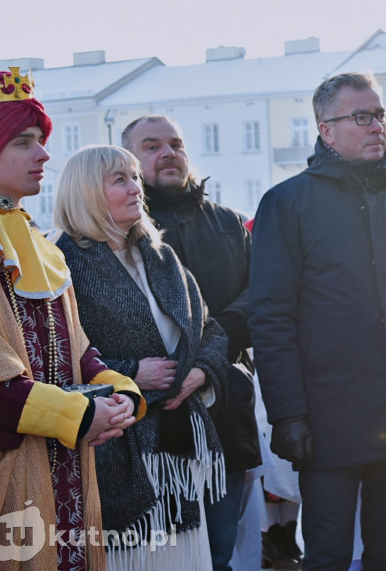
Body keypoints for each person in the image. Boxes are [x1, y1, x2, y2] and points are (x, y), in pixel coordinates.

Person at [249, 72, 386, 571]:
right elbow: (271, 318)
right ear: (326, 130)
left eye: (380, 115)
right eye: (361, 117)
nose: (376, 126)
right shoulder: (287, 204)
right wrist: (287, 414)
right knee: (327, 555)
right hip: (328, 417)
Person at [0, 69, 144, 570]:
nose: (44, 155)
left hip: (69, 461)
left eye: (41, 141)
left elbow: (76, 350)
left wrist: (118, 391)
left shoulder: (38, 243)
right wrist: (81, 415)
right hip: (1, 469)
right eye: (24, 142)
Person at [54, 145, 227, 569]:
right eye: (121, 179)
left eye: (135, 176)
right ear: (87, 192)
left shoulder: (159, 254)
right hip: (119, 448)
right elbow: (59, 359)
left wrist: (200, 373)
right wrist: (132, 374)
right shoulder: (64, 262)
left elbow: (211, 329)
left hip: (180, 449)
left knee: (187, 558)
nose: (137, 188)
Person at [121, 115, 261, 571]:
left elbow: (260, 294)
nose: (168, 153)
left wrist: (210, 356)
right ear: (129, 158)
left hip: (224, 408)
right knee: (161, 554)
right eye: (152, 145)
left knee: (220, 550)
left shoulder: (229, 223)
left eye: (176, 144)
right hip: (152, 418)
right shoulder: (115, 230)